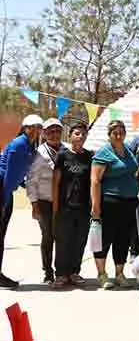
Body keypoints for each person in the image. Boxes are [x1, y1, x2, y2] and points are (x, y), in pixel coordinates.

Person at [91, 120, 139, 290]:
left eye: (121, 132)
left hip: (129, 202)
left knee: (123, 239)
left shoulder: (127, 150)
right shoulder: (104, 152)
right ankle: (102, 274)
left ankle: (119, 274)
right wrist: (96, 207)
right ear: (109, 134)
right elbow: (95, 181)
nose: (119, 136)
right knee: (105, 238)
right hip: (110, 202)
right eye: (115, 133)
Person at [0, 114, 43, 288]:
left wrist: (29, 186)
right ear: (25, 128)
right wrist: (3, 201)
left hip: (6, 189)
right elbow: (10, 176)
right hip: (2, 188)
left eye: (39, 127)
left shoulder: (31, 146)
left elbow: (20, 174)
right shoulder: (19, 144)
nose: (36, 130)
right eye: (32, 127)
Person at [51, 122, 93, 289]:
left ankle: (74, 272)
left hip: (83, 207)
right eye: (77, 133)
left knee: (79, 240)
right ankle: (61, 274)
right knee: (63, 241)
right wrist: (55, 208)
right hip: (65, 206)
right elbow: (56, 183)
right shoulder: (62, 156)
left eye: (83, 134)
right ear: (70, 136)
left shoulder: (89, 157)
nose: (80, 137)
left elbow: (93, 183)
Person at [27, 118, 66, 284]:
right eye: (50, 132)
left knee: (63, 237)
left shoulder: (67, 150)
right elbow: (31, 181)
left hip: (64, 202)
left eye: (57, 131)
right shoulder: (39, 154)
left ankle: (63, 271)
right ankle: (48, 272)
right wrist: (34, 204)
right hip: (45, 202)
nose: (54, 135)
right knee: (48, 236)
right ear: (44, 133)